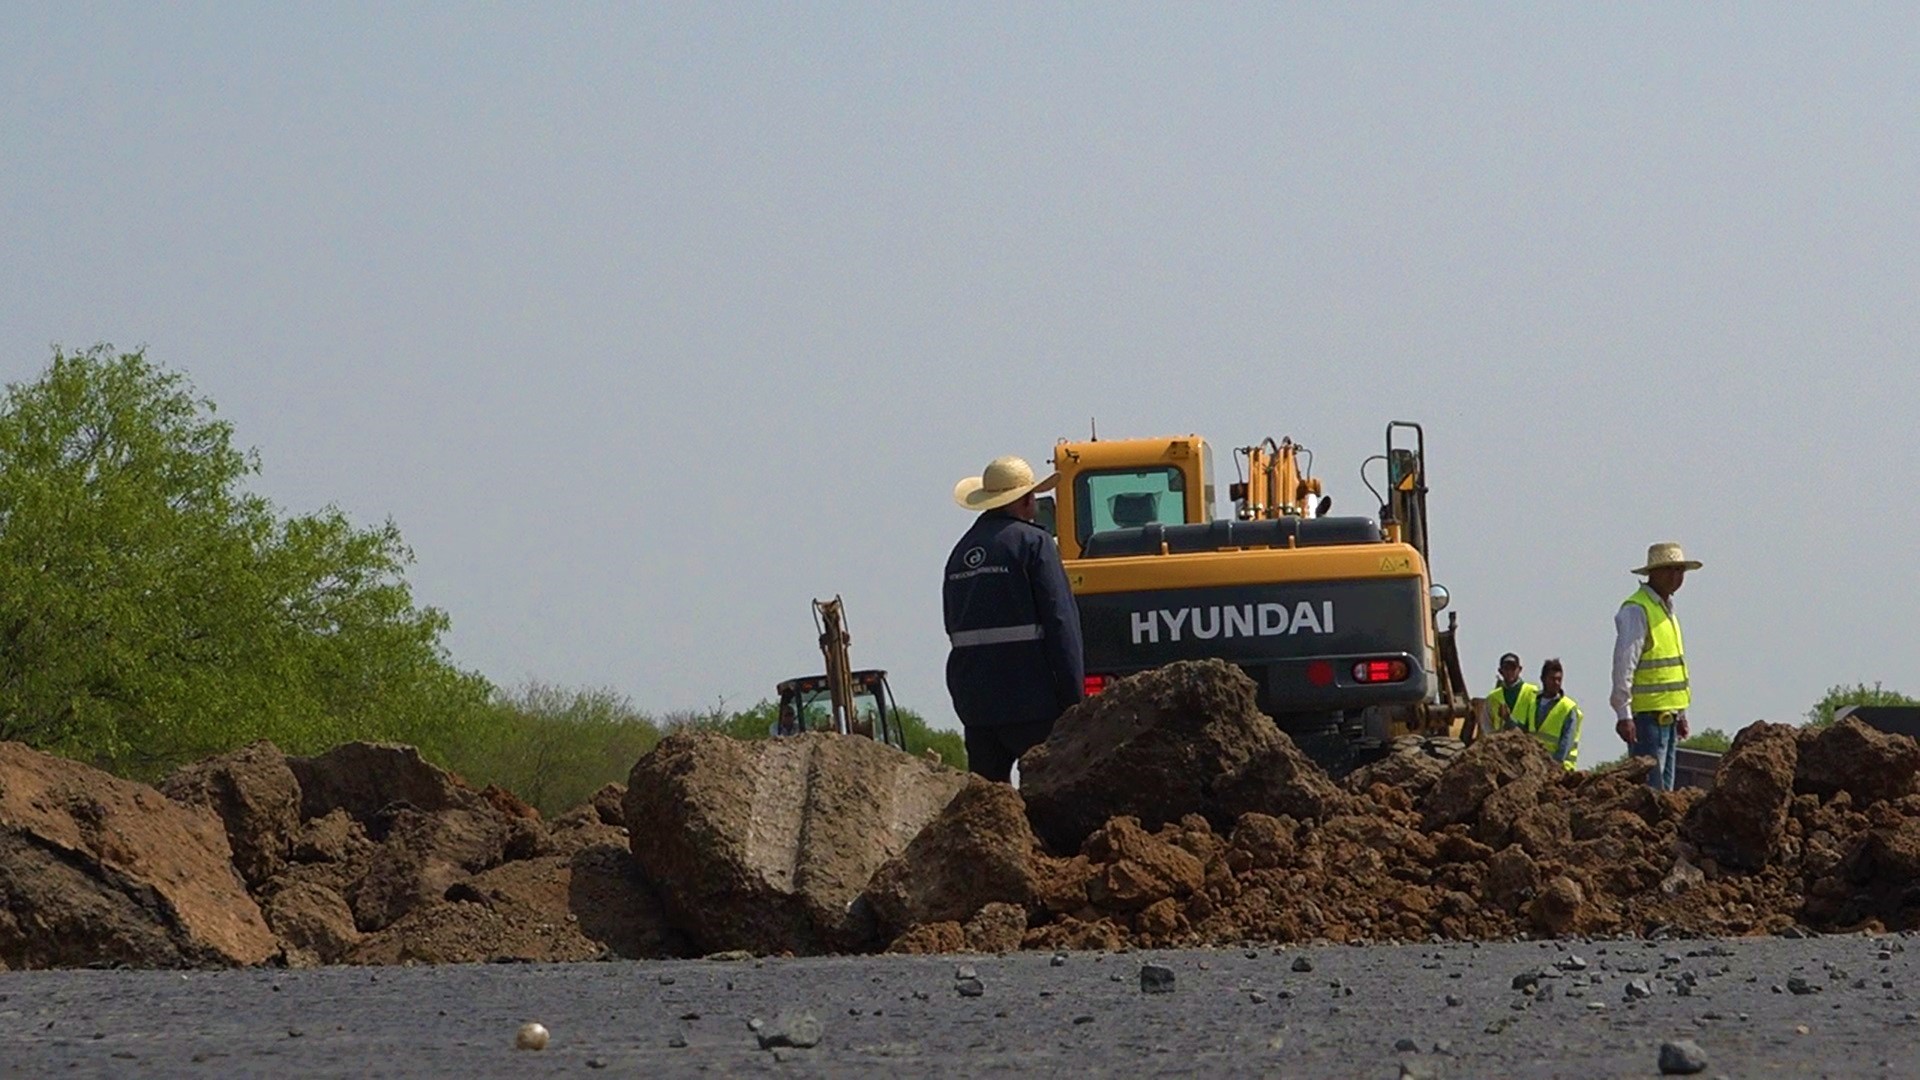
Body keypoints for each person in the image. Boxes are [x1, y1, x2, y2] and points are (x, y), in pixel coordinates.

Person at [944, 454, 1085, 784]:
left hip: (977, 708)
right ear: (1025, 499)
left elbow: (954, 628)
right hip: (1034, 705)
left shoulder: (960, 553)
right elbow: (1061, 623)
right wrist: (1074, 702)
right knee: (1049, 797)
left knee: (988, 806)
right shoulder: (1034, 543)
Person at [1611, 542, 1701, 791]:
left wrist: (1680, 713)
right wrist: (1623, 714)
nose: (1676, 577)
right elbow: (1624, 664)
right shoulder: (1637, 609)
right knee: (1650, 792)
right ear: (1653, 573)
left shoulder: (1666, 611)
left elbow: (1672, 670)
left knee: (1666, 793)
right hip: (1647, 721)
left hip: (1668, 718)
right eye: (1669, 570)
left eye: (1680, 570)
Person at [1529, 658, 1582, 770]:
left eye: (1559, 679)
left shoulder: (1567, 707)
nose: (1556, 683)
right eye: (1552, 679)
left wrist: (1555, 765)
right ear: (1543, 679)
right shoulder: (1533, 702)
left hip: (1560, 768)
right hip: (1536, 764)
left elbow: (1567, 741)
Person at [1485, 652, 1538, 735]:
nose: (1509, 672)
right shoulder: (1492, 697)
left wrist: (1509, 720)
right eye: (1506, 668)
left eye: (1513, 668)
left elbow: (1534, 725)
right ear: (1500, 671)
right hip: (1499, 744)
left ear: (1519, 669)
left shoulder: (1532, 692)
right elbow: (1487, 726)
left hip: (1525, 743)